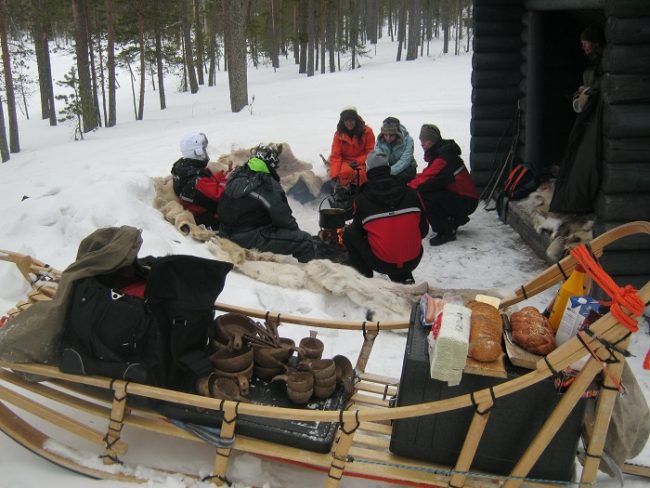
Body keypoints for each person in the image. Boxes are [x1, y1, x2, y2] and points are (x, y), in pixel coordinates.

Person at [217, 143, 315, 263]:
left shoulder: (237, 174)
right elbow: (283, 218)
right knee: (306, 242)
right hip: (247, 237)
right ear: (272, 164)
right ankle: (307, 272)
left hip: (225, 232)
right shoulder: (267, 183)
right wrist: (296, 234)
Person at [343, 149, 427, 284]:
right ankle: (404, 275)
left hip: (381, 263)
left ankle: (365, 278)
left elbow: (359, 232)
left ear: (368, 172)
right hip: (413, 259)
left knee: (349, 233)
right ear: (388, 169)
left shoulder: (362, 199)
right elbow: (423, 231)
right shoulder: (411, 193)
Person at [549, 24, 605, 214]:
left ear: (595, 43)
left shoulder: (604, 65)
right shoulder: (592, 65)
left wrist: (589, 95)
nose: (584, 47)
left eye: (586, 43)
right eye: (582, 43)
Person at [408, 124, 478, 246]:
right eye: (421, 140)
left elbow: (425, 179)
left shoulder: (443, 158)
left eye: (425, 141)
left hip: (466, 201)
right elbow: (428, 175)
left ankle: (445, 230)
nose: (422, 144)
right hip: (466, 198)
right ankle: (453, 220)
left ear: (433, 141)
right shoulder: (441, 153)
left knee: (424, 194)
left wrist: (405, 188)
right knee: (428, 188)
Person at [171, 132, 228, 230]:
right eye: (204, 150)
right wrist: (228, 179)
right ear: (197, 152)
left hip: (202, 207)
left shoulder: (185, 168)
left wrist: (223, 175)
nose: (206, 153)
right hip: (209, 219)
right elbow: (220, 195)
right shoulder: (195, 179)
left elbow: (208, 182)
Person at [328, 106, 375, 188]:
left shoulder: (367, 131)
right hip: (345, 161)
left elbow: (371, 152)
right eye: (346, 120)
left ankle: (362, 194)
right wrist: (334, 176)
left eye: (352, 120)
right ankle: (345, 194)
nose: (349, 123)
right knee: (345, 173)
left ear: (356, 119)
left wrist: (358, 161)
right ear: (342, 121)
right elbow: (336, 156)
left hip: (363, 161)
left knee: (362, 174)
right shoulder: (339, 134)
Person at [374, 116, 417, 184]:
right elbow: (379, 157)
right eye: (385, 135)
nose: (388, 138)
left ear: (397, 133)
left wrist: (389, 172)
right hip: (388, 168)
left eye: (391, 135)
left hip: (407, 168)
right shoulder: (380, 140)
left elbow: (405, 161)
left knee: (397, 179)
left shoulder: (408, 140)